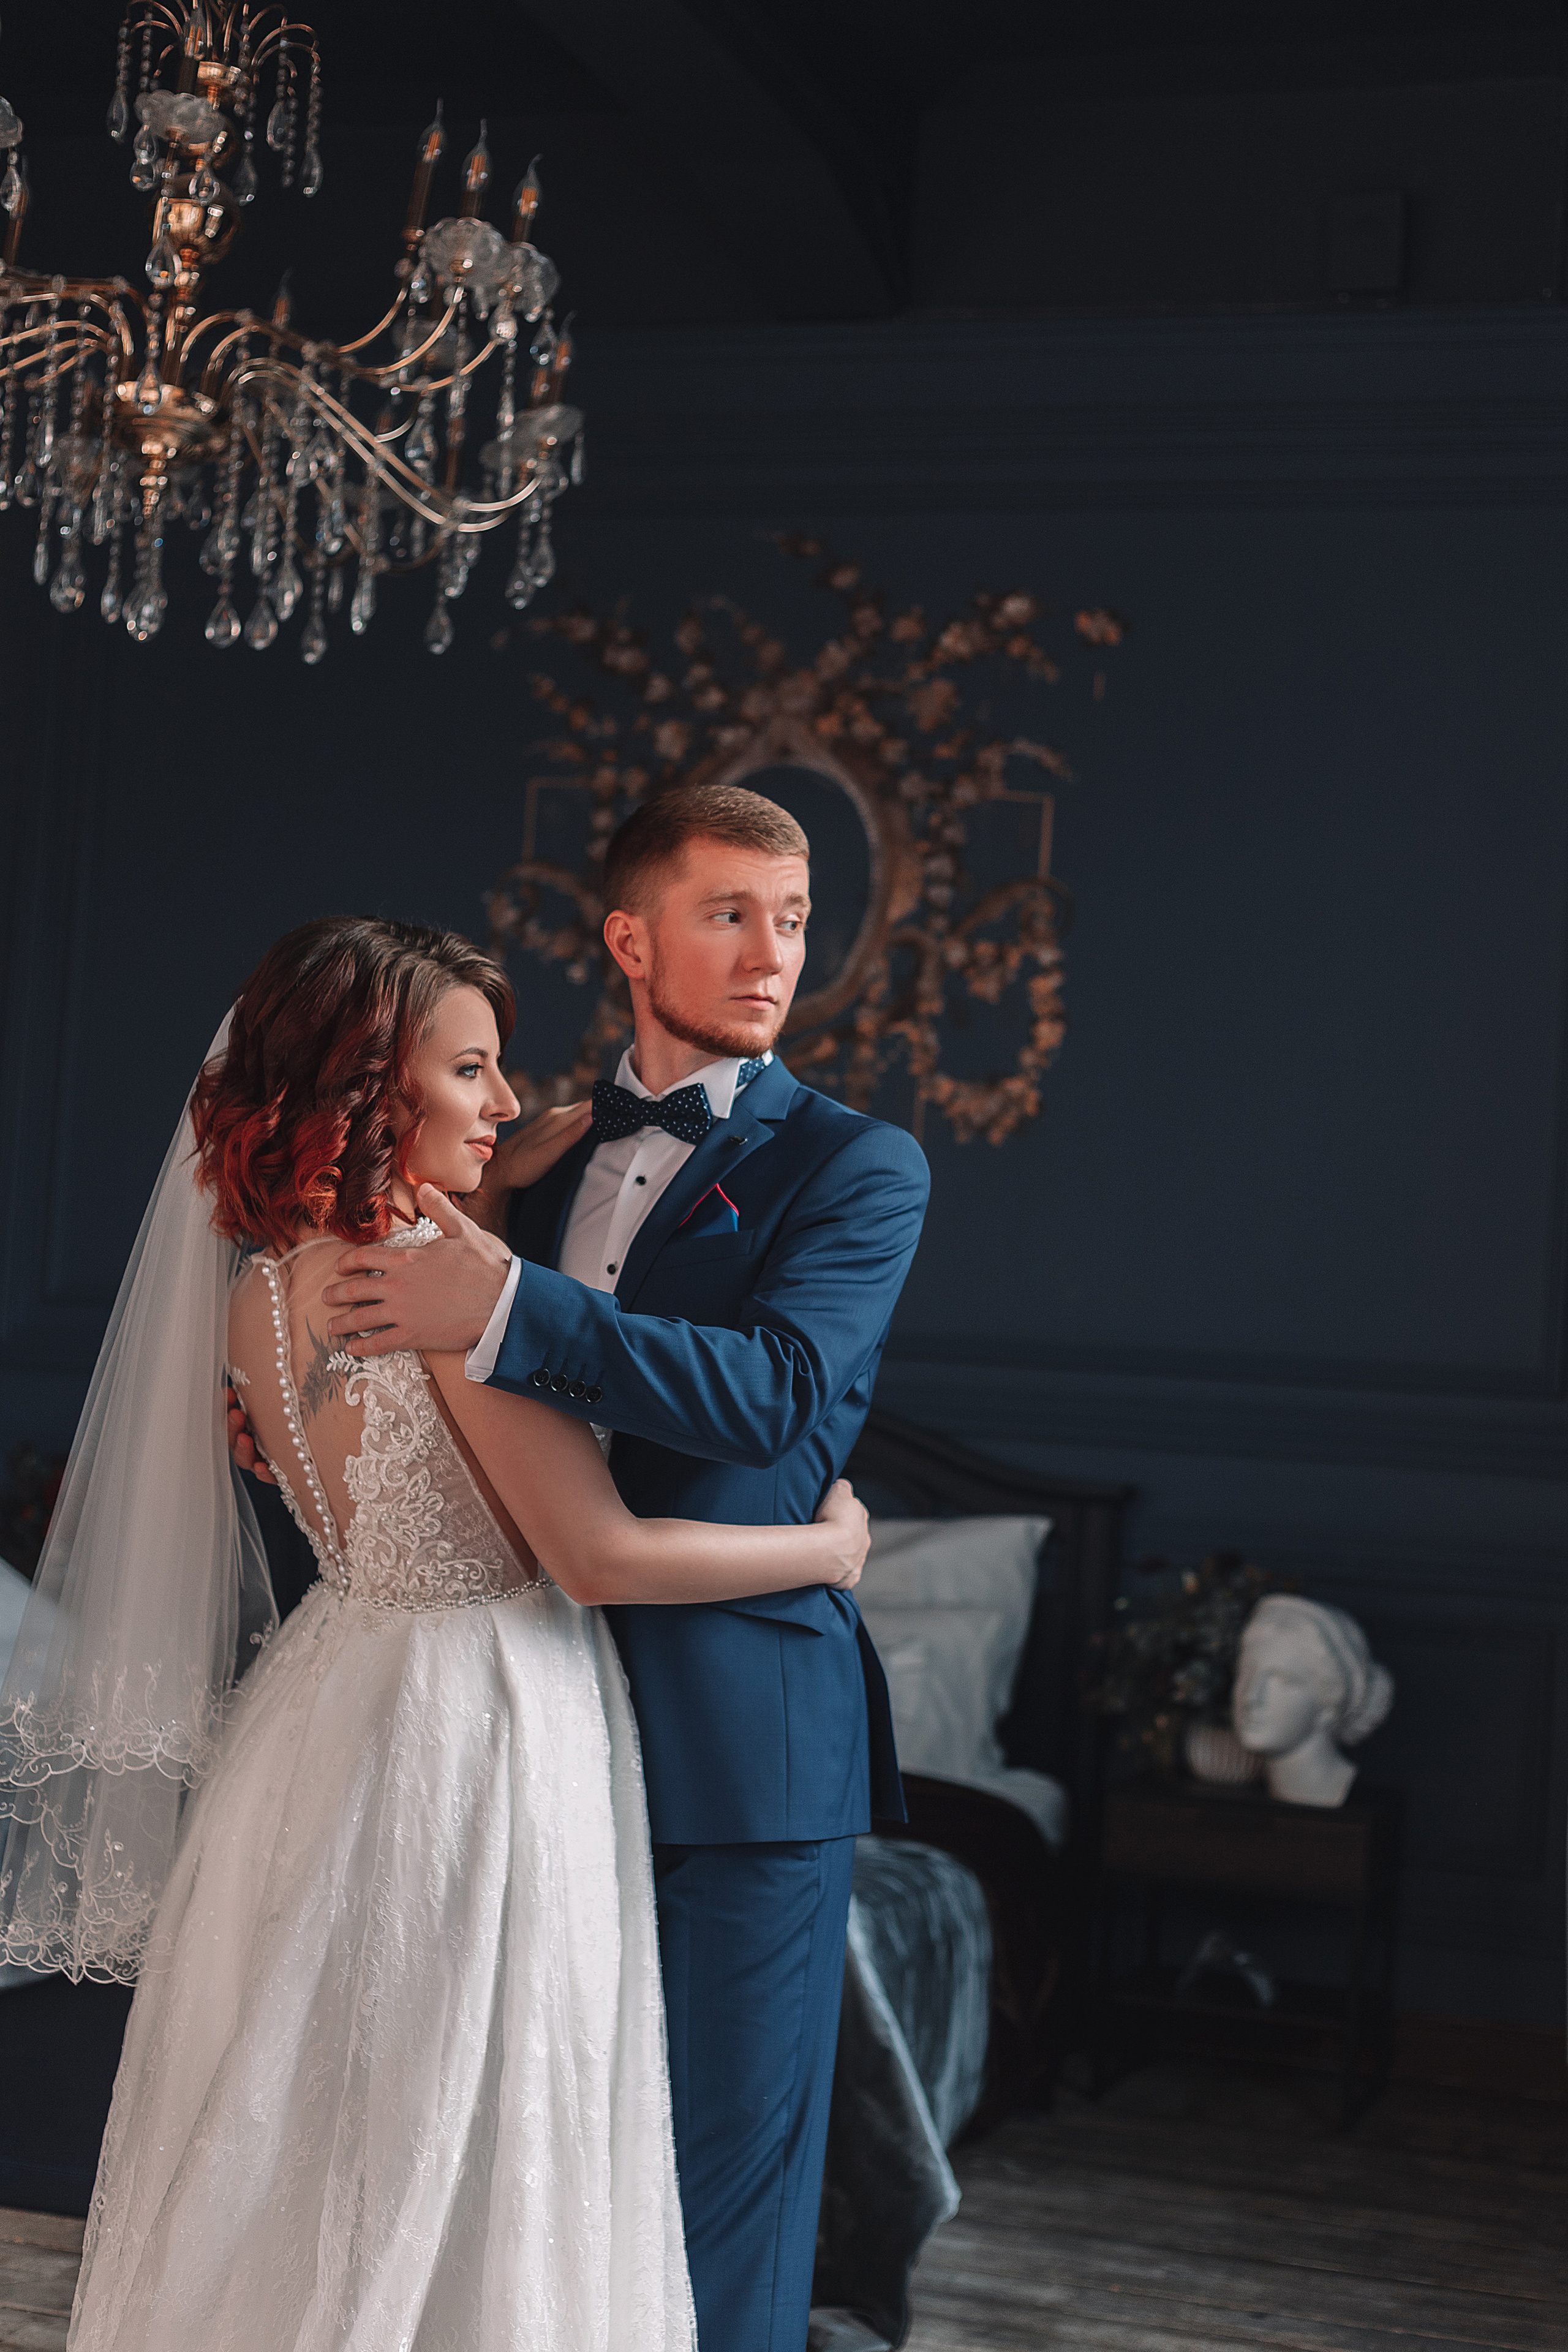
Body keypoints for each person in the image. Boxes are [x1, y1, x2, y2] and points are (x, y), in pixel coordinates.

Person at [0, 915, 873, 2352]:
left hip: (322, 1709)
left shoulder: (260, 1291)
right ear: (369, 1092)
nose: (511, 1102)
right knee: (472, 2122)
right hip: (480, 1721)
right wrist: (828, 1549)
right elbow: (593, 1556)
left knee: (317, 2125)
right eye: (473, 1071)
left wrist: (491, 1186)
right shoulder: (443, 1282)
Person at [292, 783, 933, 2352]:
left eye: (790, 919)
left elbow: (778, 1391)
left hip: (736, 1743)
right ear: (631, 938)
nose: (771, 953)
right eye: (728, 914)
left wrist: (503, 1308)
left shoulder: (859, 1167)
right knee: (536, 2171)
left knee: (718, 2187)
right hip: (517, 1741)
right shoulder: (515, 1154)